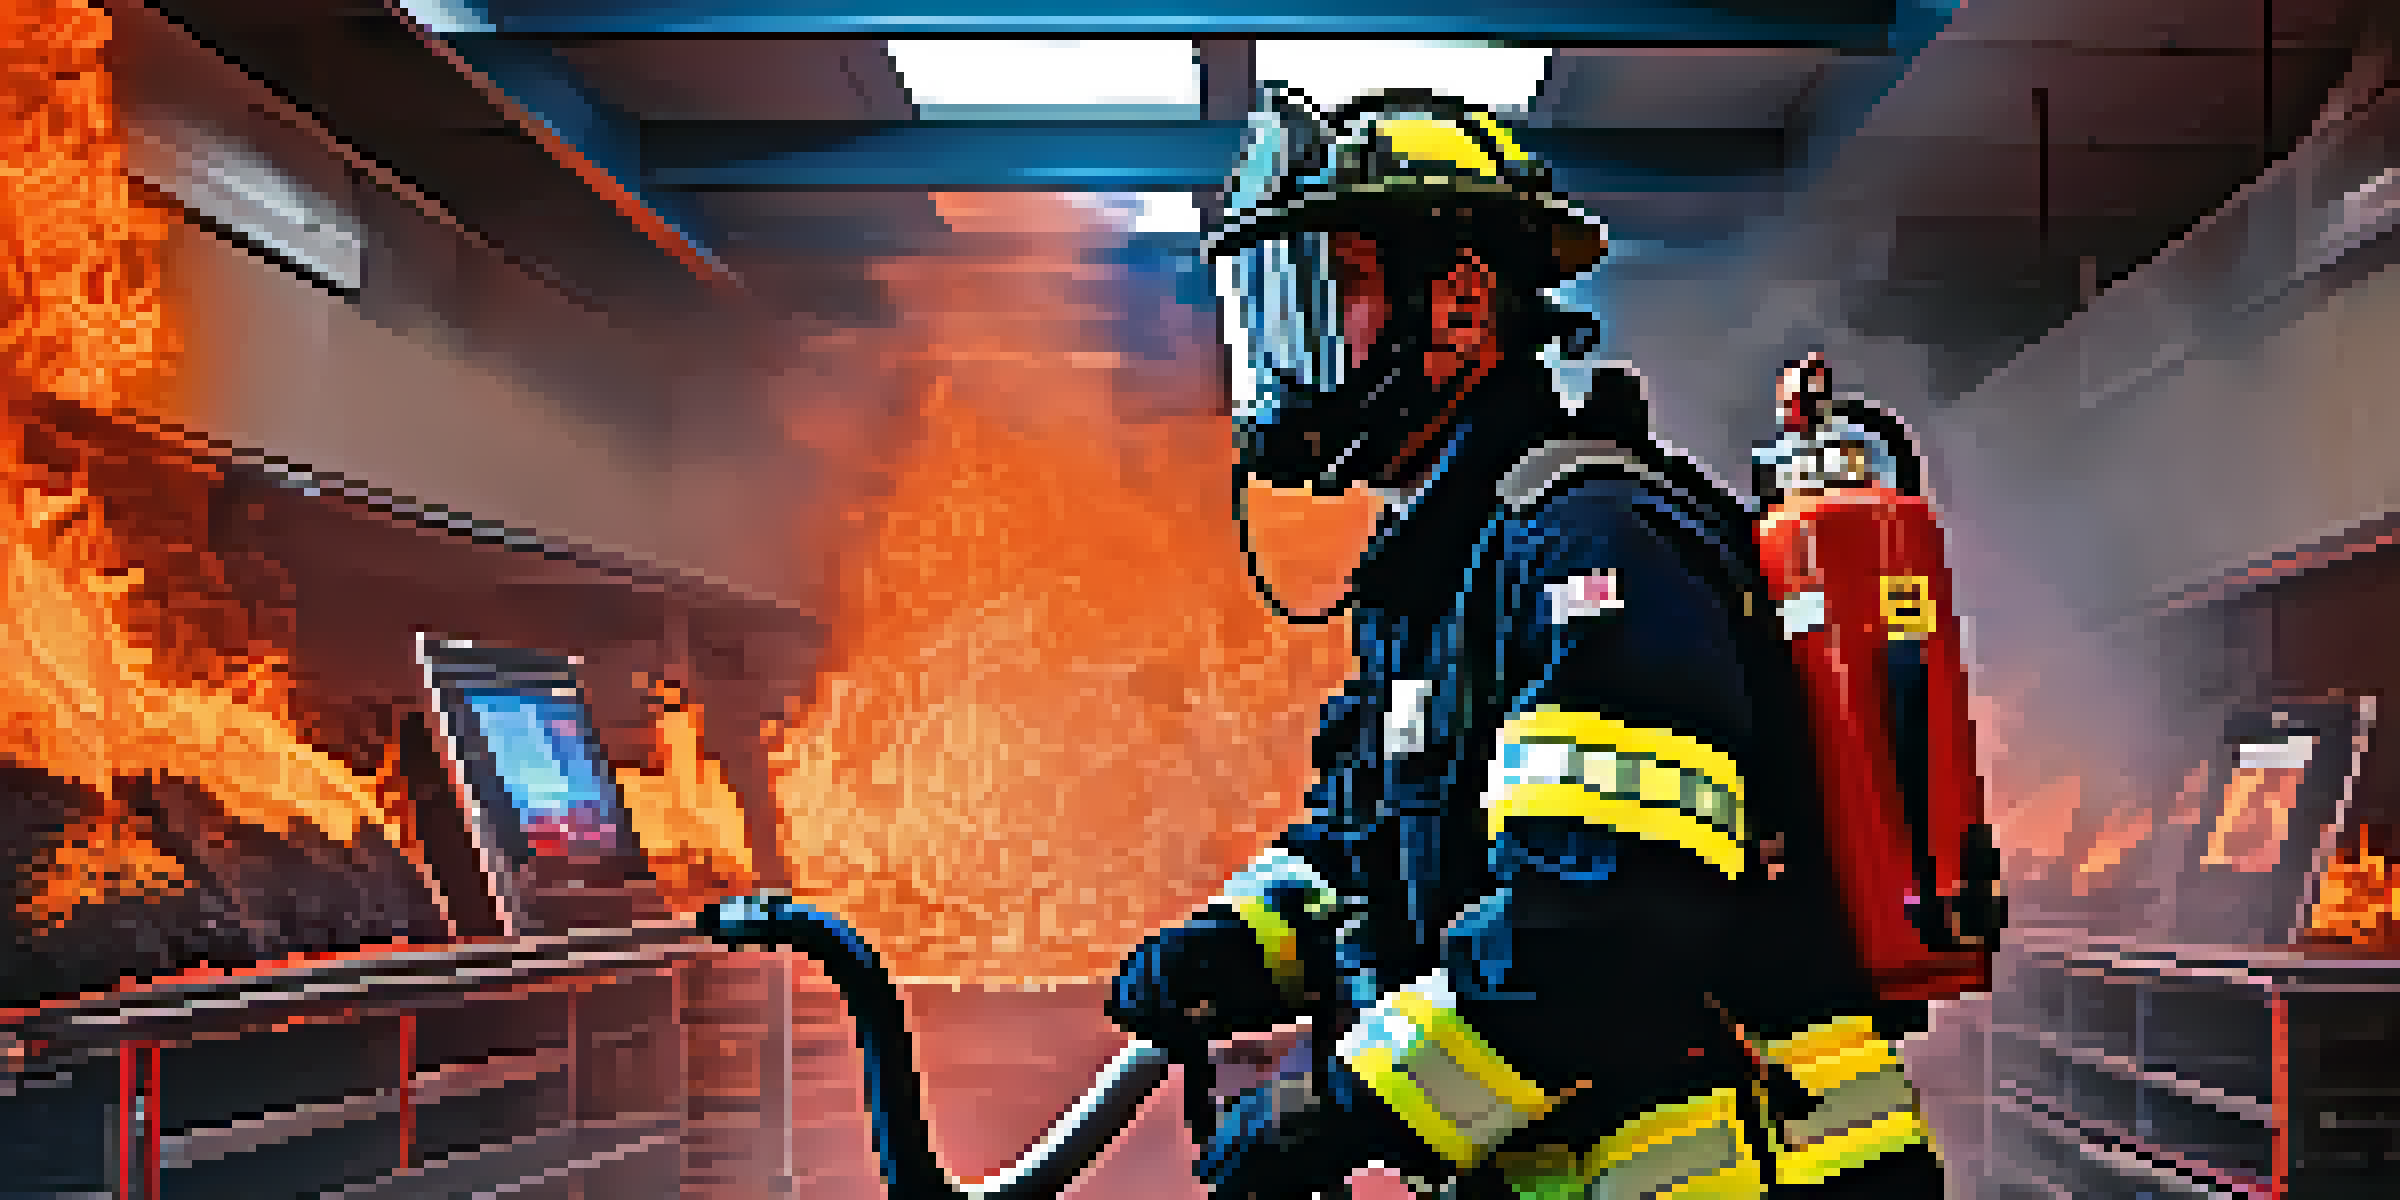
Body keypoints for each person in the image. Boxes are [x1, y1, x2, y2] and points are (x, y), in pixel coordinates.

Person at [1106, 85, 1948, 1199]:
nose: (1283, 346)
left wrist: (1347, 1104)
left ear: (1460, 307)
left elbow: (1603, 920)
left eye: (1331, 288)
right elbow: (1374, 848)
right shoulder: (1442, 575)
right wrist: (1234, 942)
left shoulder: (1588, 544)